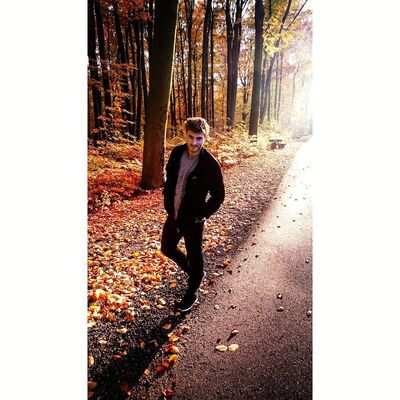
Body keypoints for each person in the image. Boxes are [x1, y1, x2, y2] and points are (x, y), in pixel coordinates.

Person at [161, 117, 225, 312]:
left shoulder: (210, 164)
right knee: (167, 247)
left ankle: (192, 293)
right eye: (191, 137)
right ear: (185, 134)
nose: (194, 143)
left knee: (194, 255)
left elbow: (218, 196)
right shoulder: (177, 153)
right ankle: (195, 273)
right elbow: (170, 179)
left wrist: (202, 214)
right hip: (174, 214)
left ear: (205, 138)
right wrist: (167, 201)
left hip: (193, 219)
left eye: (199, 138)